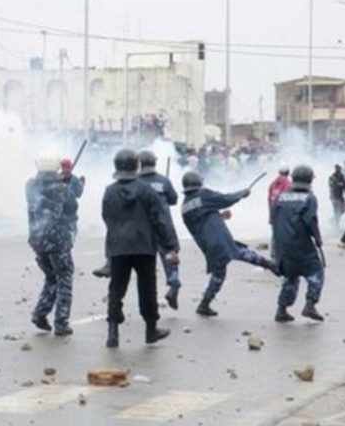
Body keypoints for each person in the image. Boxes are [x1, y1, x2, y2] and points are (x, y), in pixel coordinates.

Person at [102, 149, 179, 349]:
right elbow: (159, 220)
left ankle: (112, 333)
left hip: (118, 247)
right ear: (135, 166)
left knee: (116, 290)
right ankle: (151, 330)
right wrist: (171, 246)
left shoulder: (109, 191)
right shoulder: (147, 191)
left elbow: (107, 218)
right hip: (144, 247)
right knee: (147, 290)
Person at [181, 171, 279, 317]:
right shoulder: (203, 195)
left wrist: (219, 216)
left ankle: (204, 304)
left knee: (220, 271)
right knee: (240, 253)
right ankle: (270, 265)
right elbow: (225, 199)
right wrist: (242, 193)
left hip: (207, 243)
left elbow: (200, 220)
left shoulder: (184, 206)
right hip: (218, 239)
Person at [27, 154, 78, 336]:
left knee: (51, 277)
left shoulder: (31, 186)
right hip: (58, 242)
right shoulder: (62, 189)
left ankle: (40, 313)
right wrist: (67, 182)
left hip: (38, 241)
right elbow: (72, 208)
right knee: (64, 279)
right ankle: (61, 322)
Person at [272, 165, 325, 323]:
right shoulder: (309, 197)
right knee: (316, 273)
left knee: (290, 275)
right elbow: (310, 220)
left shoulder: (282, 196)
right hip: (300, 244)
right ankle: (310, 304)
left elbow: (273, 218)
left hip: (282, 244)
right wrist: (318, 239)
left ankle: (282, 309)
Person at [137, 150, 183, 310]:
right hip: (164, 226)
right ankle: (174, 284)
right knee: (171, 257)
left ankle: (149, 299)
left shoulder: (135, 182)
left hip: (143, 229)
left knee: (146, 265)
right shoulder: (163, 181)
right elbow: (174, 199)